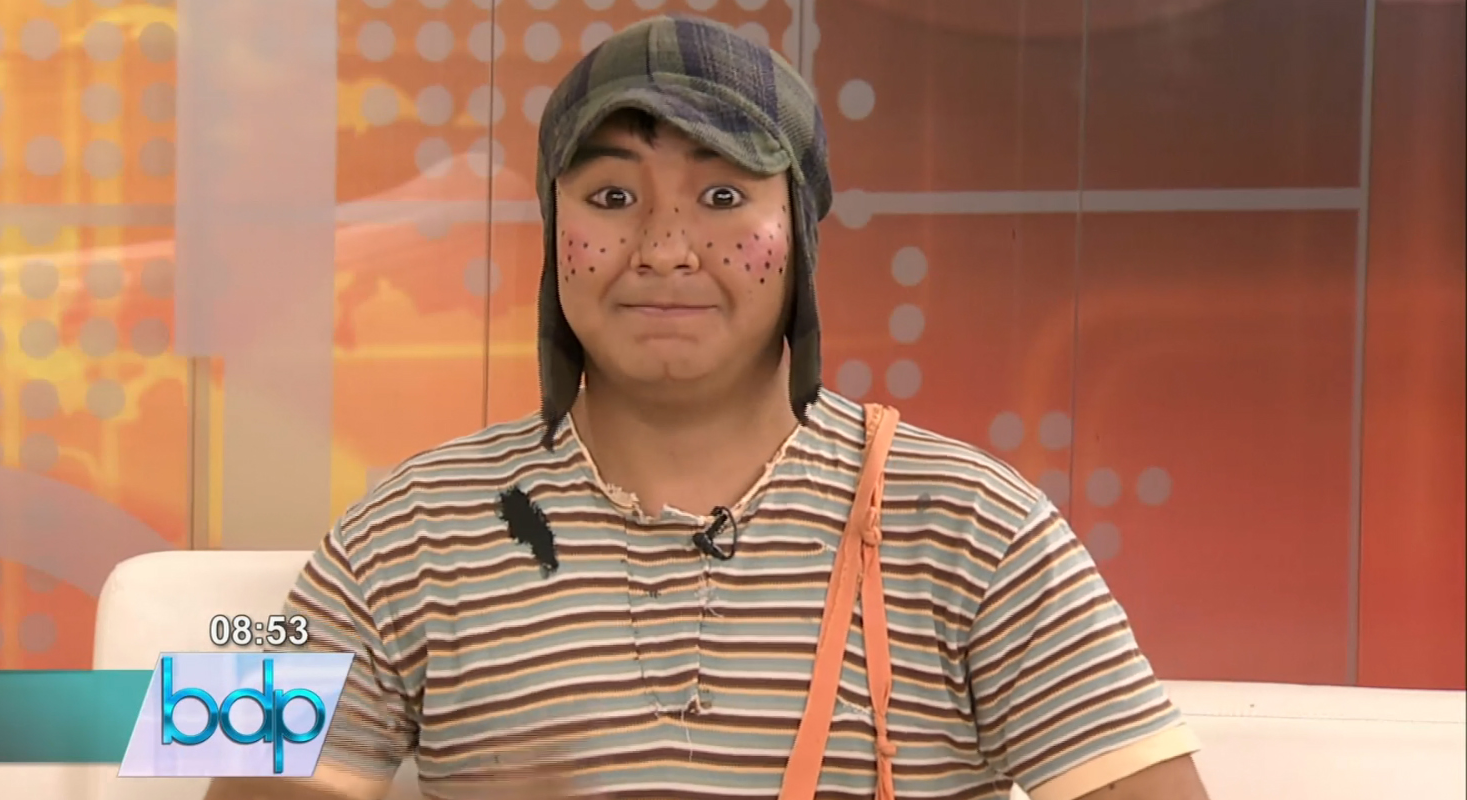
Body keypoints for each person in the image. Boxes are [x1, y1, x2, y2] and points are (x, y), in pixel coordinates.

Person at [204, 15, 1211, 800]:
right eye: (611, 198)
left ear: (801, 235)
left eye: (724, 198)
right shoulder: (397, 528)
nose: (664, 248)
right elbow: (222, 770)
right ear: (552, 233)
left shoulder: (979, 525)